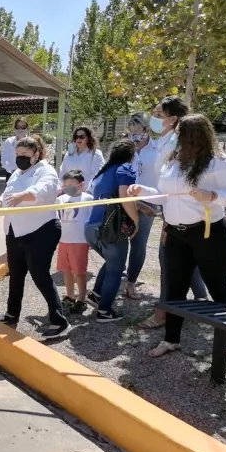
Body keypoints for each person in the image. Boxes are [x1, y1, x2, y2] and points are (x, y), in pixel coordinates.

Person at [129, 114, 226, 360]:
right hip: (176, 235)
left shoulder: (218, 162)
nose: (177, 138)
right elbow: (165, 195)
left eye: (181, 134)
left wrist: (213, 195)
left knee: (219, 290)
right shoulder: (174, 161)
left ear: (197, 135)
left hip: (209, 235)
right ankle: (171, 340)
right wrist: (144, 191)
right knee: (174, 290)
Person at [140, 95, 207, 329]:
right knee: (185, 261)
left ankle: (164, 312)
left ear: (173, 119)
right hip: (169, 208)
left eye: (159, 115)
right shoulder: (163, 140)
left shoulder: (178, 143)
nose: (154, 118)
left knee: (169, 261)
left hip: (181, 211)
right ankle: (201, 304)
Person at [0, 135, 68, 336]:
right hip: (15, 231)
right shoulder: (17, 173)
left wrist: (22, 196)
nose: (21, 158)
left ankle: (58, 320)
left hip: (41, 230)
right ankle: (11, 313)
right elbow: (8, 192)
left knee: (40, 274)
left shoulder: (45, 170)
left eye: (25, 154)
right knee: (15, 275)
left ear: (36, 154)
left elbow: (46, 190)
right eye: (18, 154)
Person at [84, 138, 139, 323]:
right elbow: (124, 197)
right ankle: (105, 311)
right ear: (131, 154)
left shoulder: (103, 172)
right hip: (110, 229)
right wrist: (136, 219)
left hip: (91, 227)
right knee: (116, 269)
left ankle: (97, 295)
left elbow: (113, 196)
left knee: (111, 262)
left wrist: (143, 207)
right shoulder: (126, 169)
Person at [124, 112, 158, 300]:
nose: (134, 135)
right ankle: (118, 272)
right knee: (118, 240)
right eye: (131, 132)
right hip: (125, 200)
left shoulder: (157, 149)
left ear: (146, 130)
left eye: (137, 131)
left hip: (148, 201)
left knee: (138, 242)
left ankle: (131, 282)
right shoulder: (126, 150)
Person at [55, 170, 94, 314]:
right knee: (66, 270)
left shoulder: (88, 199)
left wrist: (92, 240)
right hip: (64, 240)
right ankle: (70, 295)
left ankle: (81, 299)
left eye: (72, 183)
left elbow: (93, 220)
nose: (68, 186)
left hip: (79, 241)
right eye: (65, 184)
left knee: (79, 271)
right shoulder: (60, 200)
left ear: (81, 184)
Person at [59, 126, 105, 193]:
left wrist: (80, 189)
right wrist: (63, 188)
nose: (78, 139)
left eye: (81, 137)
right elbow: (62, 172)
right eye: (76, 137)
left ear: (89, 138)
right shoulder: (69, 154)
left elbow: (95, 175)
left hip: (87, 193)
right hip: (67, 192)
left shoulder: (95, 154)